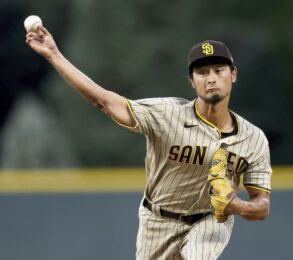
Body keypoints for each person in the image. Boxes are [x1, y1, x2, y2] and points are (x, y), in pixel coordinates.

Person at [26, 27, 272, 259]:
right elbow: (104, 100)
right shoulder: (166, 114)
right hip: (157, 220)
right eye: (202, 72)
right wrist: (54, 54)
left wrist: (237, 206)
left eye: (219, 70)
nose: (211, 78)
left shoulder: (253, 138)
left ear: (233, 74)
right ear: (191, 80)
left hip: (210, 220)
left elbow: (261, 205)